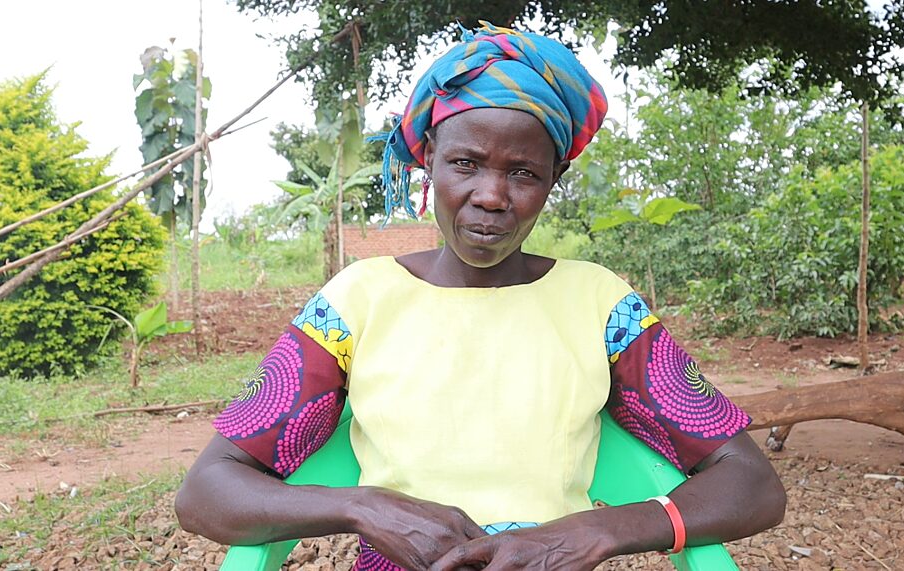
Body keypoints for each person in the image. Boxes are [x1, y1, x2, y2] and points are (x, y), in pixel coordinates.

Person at [175, 21, 786, 571]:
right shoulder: (359, 301)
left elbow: (751, 484)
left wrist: (596, 531)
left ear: (554, 179)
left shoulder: (601, 305)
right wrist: (364, 508)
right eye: (466, 163)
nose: (492, 196)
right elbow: (207, 492)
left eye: (523, 172)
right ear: (430, 161)